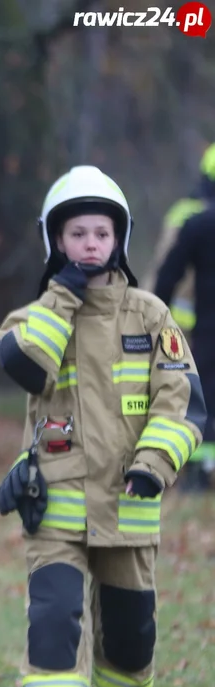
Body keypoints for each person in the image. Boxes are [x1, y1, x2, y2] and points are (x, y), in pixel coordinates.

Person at [0, 165, 207, 687]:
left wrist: (153, 465)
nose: (91, 244)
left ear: (119, 240)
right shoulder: (32, 318)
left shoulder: (150, 313)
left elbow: (182, 404)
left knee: (130, 645)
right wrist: (62, 297)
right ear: (56, 241)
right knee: (53, 623)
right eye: (77, 234)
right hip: (56, 510)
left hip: (130, 508)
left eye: (102, 234)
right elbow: (26, 367)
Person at [153, 142, 215, 490]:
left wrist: (153, 317)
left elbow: (167, 275)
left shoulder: (194, 222)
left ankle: (196, 475)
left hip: (203, 329)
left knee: (201, 396)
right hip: (198, 327)